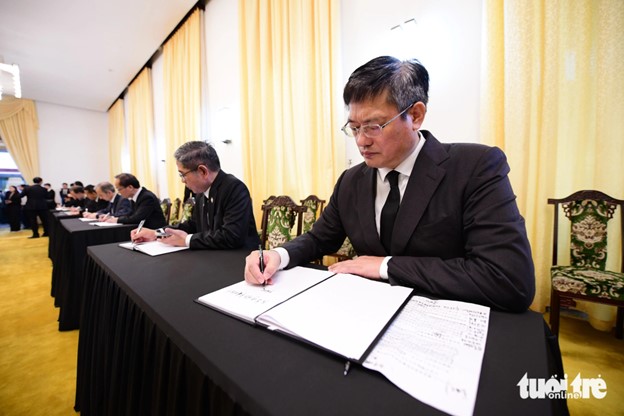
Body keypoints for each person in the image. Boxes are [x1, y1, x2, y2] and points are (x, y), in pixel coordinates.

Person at [244, 56, 535, 313]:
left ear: (416, 116)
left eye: (373, 126)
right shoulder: (351, 181)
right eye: (355, 128)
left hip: (444, 321)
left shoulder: (475, 166)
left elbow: (508, 280)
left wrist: (385, 265)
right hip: (367, 315)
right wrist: (278, 255)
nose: (361, 141)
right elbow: (320, 238)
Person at [131, 141, 260, 250]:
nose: (182, 180)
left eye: (183, 174)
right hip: (213, 255)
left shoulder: (234, 188)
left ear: (203, 171)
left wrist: (187, 240)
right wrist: (157, 233)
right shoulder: (201, 192)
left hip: (239, 260)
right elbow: (192, 225)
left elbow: (232, 236)